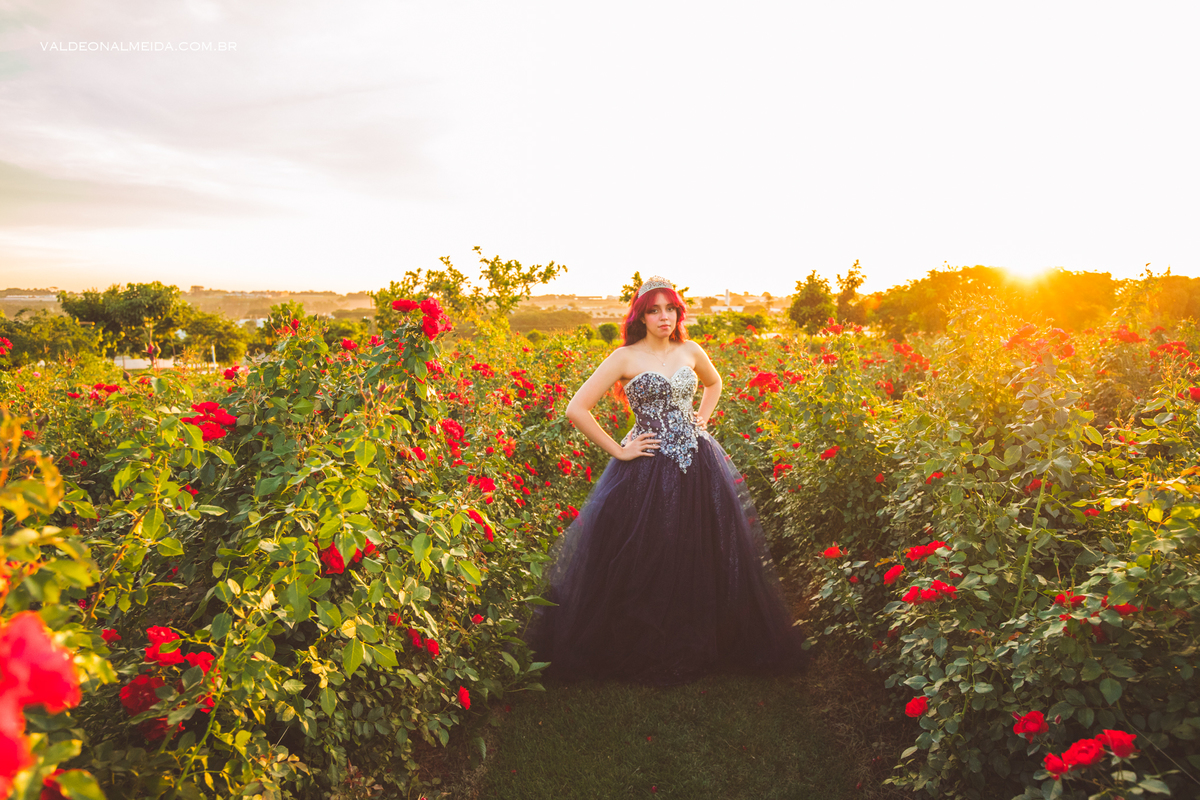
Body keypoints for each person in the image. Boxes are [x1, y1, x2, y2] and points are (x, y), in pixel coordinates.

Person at [526, 276, 807, 684]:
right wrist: (620, 450)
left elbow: (714, 383)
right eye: (654, 309)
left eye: (670, 309)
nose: (663, 317)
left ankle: (703, 634)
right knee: (651, 551)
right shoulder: (625, 358)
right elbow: (577, 408)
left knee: (699, 545)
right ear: (640, 315)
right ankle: (644, 642)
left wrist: (704, 416)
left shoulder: (690, 350)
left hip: (699, 461)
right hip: (647, 465)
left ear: (679, 312)